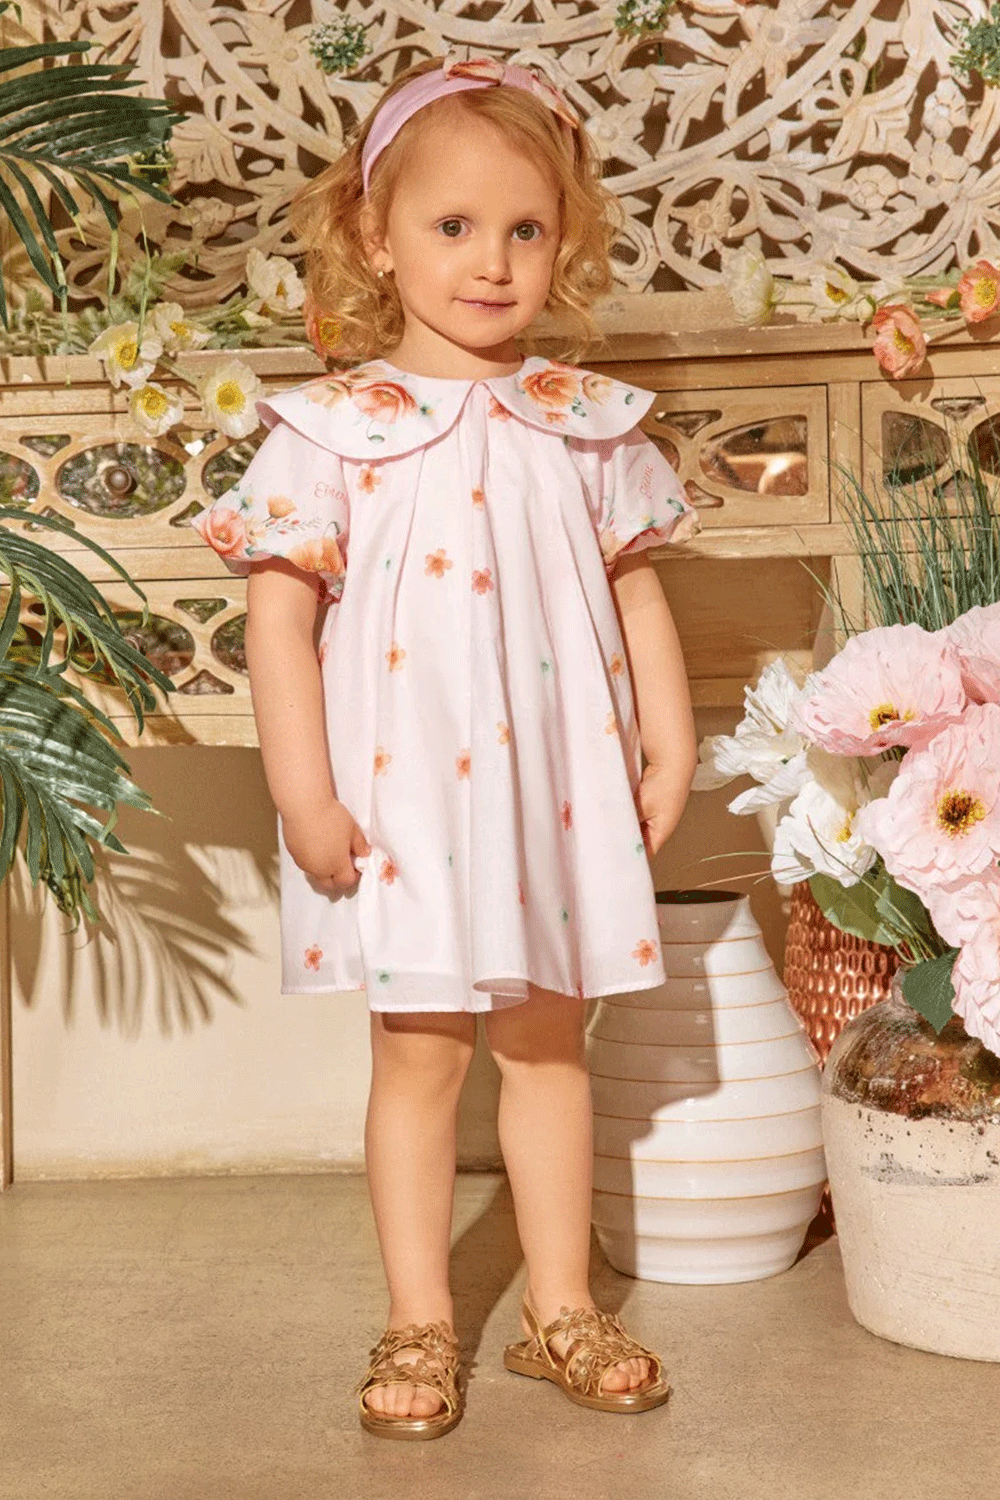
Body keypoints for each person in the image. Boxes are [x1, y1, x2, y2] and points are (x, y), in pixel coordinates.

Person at [194, 52, 700, 1441]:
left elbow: (636, 595)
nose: (492, 261)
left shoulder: (586, 427)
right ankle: (420, 1314)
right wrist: (301, 793)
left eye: (526, 229)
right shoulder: (330, 433)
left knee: (549, 1047)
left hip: (551, 799)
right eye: (455, 226)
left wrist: (669, 745)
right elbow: (279, 623)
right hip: (403, 802)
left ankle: (558, 1307)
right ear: (376, 235)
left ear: (564, 239)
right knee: (419, 1055)